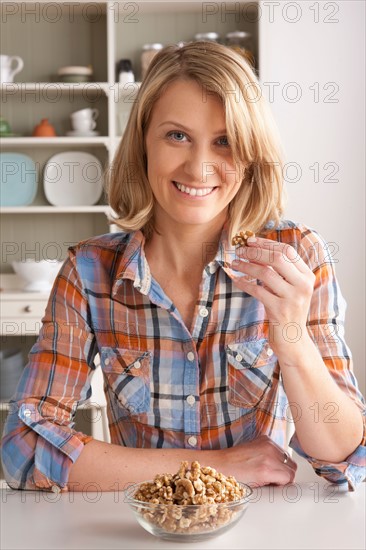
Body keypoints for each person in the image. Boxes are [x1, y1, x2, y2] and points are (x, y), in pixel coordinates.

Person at [1, 41, 365, 494]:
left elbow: (344, 457)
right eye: (177, 136)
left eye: (225, 141)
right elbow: (23, 449)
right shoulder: (89, 271)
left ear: (251, 153)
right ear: (144, 143)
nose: (199, 167)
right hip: (137, 531)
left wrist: (292, 339)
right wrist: (219, 465)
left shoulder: (298, 255)